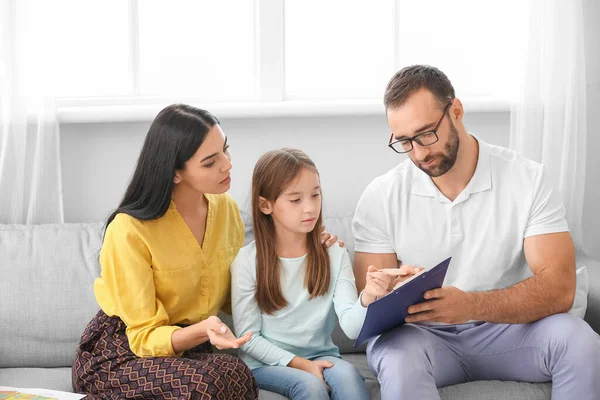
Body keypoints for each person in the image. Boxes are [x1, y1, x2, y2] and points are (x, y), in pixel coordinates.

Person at [352, 65, 600, 400]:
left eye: (426, 134)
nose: (420, 153)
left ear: (456, 111)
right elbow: (371, 313)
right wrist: (395, 289)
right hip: (423, 339)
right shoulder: (381, 196)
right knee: (396, 356)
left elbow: (560, 288)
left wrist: (470, 305)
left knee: (580, 341)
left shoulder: (528, 179)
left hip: (514, 332)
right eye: (405, 142)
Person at [72, 104, 340, 399]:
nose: (227, 165)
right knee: (211, 382)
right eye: (210, 162)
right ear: (175, 173)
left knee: (235, 374)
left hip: (191, 350)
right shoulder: (129, 230)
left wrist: (309, 249)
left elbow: (235, 293)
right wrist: (203, 331)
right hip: (124, 352)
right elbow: (144, 336)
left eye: (226, 150)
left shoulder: (224, 210)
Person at [231, 148, 400, 400]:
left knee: (350, 380)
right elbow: (248, 339)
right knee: (310, 386)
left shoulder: (333, 253)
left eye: (315, 195)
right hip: (264, 364)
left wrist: (368, 297)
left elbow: (352, 329)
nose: (310, 208)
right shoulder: (247, 261)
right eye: (295, 199)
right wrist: (301, 364)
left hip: (323, 355)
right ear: (266, 205)